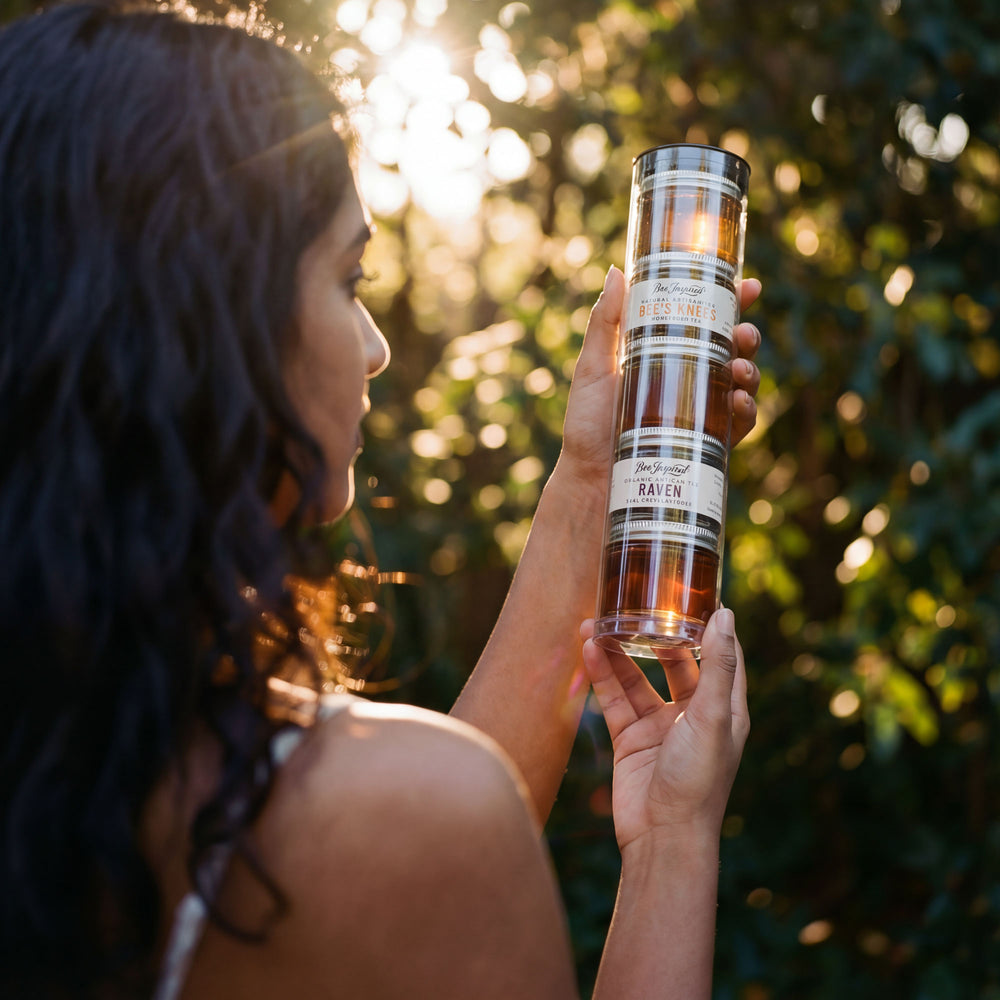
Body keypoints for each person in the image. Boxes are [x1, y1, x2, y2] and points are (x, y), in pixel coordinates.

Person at [0, 2, 762, 998]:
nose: (376, 346)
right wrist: (671, 841)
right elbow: (421, 829)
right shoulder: (376, 818)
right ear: (204, 321)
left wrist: (593, 482)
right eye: (348, 277)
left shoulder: (70, 740)